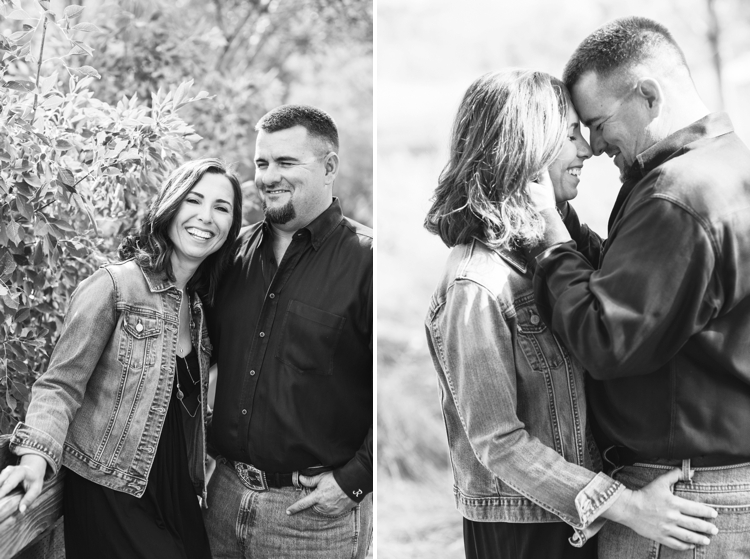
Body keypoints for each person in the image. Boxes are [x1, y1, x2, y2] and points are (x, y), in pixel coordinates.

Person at [423, 69, 719, 559]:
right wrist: (628, 506)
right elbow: (498, 441)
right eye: (568, 136)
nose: (586, 150)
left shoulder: (556, 251)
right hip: (526, 531)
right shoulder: (476, 284)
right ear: (525, 152)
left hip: (579, 518)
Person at [524, 16, 750, 559]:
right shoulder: (728, 165)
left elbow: (607, 340)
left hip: (679, 501)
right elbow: (654, 293)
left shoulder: (676, 196)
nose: (596, 146)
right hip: (716, 486)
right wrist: (574, 228)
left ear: (648, 96)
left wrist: (554, 245)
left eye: (598, 124)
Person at [0, 158, 243, 558]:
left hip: (177, 495)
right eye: (194, 200)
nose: (206, 217)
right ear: (170, 207)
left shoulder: (199, 308)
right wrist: (33, 459)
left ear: (230, 227)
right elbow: (60, 383)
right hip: (110, 491)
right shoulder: (115, 286)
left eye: (222, 207)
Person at [203, 104, 373, 559]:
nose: (269, 176)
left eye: (286, 163)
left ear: (329, 167)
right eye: (262, 163)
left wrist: (356, 480)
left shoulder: (367, 262)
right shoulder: (229, 254)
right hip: (222, 499)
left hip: (313, 521)